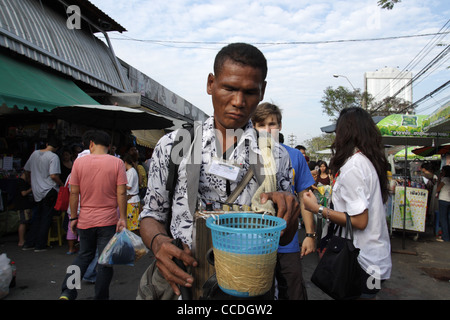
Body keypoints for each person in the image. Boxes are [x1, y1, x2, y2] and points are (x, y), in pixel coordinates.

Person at [139, 43, 301, 299]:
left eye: (249, 92)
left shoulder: (276, 155)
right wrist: (158, 243)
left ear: (263, 91)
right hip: (184, 288)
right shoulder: (173, 146)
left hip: (251, 291)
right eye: (229, 88)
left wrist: (290, 214)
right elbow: (151, 214)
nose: (238, 102)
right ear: (211, 84)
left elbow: (283, 236)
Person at [303, 107, 392, 300]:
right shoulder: (369, 161)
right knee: (369, 295)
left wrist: (317, 209)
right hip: (376, 260)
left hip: (361, 262)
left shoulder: (354, 167)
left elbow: (359, 221)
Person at [251, 102, 315, 300]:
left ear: (280, 127)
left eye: (272, 124)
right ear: (253, 127)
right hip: (256, 240)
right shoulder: (248, 156)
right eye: (261, 125)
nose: (267, 130)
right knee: (261, 291)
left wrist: (310, 234)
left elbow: (305, 196)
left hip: (287, 239)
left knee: (293, 288)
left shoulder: (293, 155)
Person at [59, 130, 127, 300]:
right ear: (109, 146)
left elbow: (74, 193)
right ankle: (100, 297)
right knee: (104, 261)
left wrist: (73, 217)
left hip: (85, 220)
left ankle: (68, 292)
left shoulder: (78, 163)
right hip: (108, 221)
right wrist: (123, 218)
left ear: (90, 144)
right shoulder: (117, 163)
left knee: (83, 256)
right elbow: (122, 193)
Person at [22, 135, 63, 252]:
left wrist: (32, 182)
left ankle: (29, 243)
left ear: (47, 144)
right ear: (57, 147)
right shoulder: (53, 157)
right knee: (46, 218)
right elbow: (54, 175)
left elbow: (27, 170)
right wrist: (61, 184)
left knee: (36, 217)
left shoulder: (34, 154)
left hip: (36, 191)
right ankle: (40, 245)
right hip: (49, 190)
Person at [14, 172, 35, 246]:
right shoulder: (21, 182)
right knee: (23, 222)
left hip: (25, 205)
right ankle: (21, 240)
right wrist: (31, 189)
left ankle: (23, 239)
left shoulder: (22, 181)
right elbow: (23, 193)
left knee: (25, 222)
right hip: (22, 205)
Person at [122, 153, 141, 233]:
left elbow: (129, 186)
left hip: (132, 200)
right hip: (132, 199)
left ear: (125, 162)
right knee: (132, 223)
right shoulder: (131, 171)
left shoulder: (131, 172)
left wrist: (121, 185)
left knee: (132, 224)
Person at [436, 165, 450, 242]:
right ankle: (447, 236)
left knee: (443, 219)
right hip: (449, 200)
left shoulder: (444, 179)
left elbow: (437, 189)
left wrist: (439, 178)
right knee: (448, 218)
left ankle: (445, 237)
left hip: (443, 200)